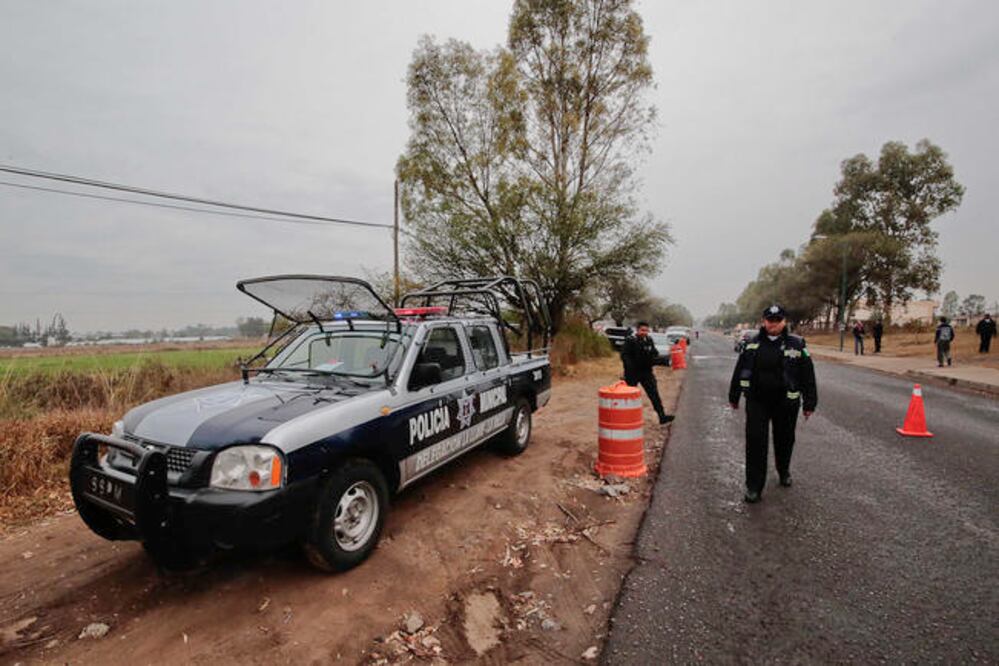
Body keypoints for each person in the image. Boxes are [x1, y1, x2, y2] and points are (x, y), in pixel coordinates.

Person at [729, 304, 817, 503]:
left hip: (786, 403)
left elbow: (807, 375)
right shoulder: (751, 343)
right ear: (764, 321)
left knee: (784, 440)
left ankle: (783, 469)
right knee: (755, 443)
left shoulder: (797, 344)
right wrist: (734, 396)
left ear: (784, 322)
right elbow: (740, 369)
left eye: (778, 321)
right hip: (757, 401)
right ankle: (753, 487)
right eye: (770, 320)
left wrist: (810, 402)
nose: (773, 324)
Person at [621, 321, 675, 425]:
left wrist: (656, 358)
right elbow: (624, 356)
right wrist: (629, 368)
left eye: (646, 330)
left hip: (646, 372)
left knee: (654, 394)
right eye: (642, 330)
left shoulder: (649, 340)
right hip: (633, 373)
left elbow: (654, 353)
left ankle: (662, 416)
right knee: (629, 396)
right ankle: (626, 419)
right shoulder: (630, 341)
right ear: (637, 330)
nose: (644, 332)